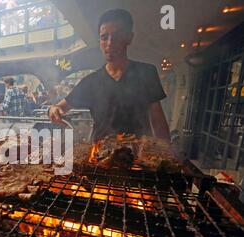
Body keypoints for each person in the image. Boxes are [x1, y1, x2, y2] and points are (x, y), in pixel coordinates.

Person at [48, 9, 171, 142]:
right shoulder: (90, 82)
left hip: (137, 156)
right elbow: (59, 107)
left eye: (117, 36)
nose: (110, 43)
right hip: (98, 156)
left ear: (129, 38)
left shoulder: (146, 72)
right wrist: (53, 109)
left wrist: (166, 151)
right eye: (104, 37)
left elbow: (158, 121)